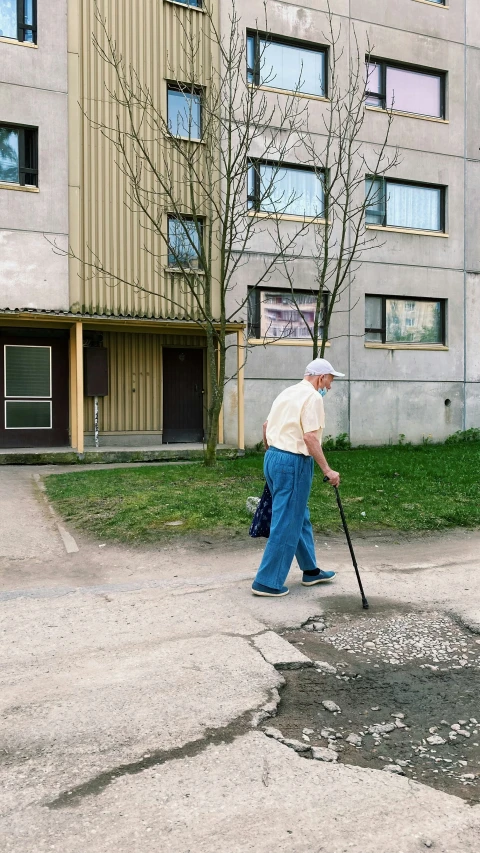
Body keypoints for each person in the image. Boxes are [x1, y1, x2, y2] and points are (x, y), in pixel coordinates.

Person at [251, 357, 344, 598]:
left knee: (298, 515)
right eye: (330, 380)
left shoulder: (288, 392)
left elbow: (265, 425)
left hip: (273, 456)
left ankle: (311, 570)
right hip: (294, 462)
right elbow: (310, 438)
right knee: (286, 521)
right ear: (320, 377)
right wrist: (328, 470)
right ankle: (267, 582)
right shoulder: (312, 397)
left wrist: (272, 451)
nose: (330, 387)